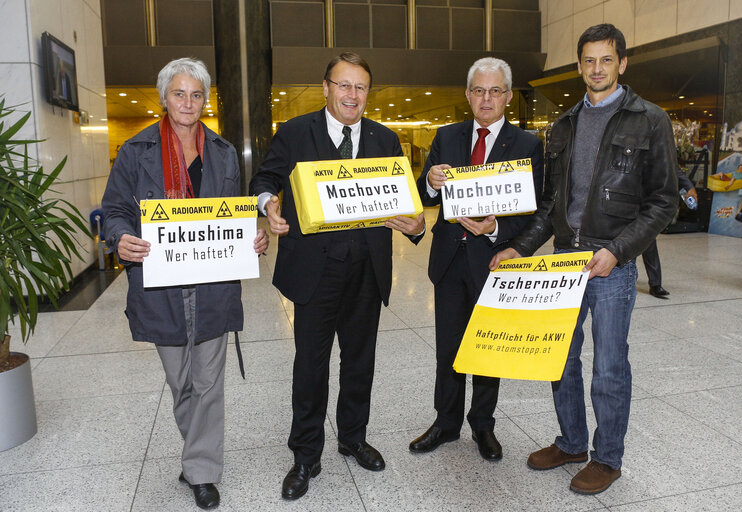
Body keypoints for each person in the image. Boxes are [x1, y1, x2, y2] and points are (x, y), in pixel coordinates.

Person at [490, 24, 677, 494]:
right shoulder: (564, 124)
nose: (596, 69)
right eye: (588, 61)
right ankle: (572, 441)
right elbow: (552, 204)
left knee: (609, 366)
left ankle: (607, 458)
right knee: (560, 360)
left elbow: (663, 202)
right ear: (578, 66)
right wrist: (520, 247)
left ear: (622, 63)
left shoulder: (649, 119)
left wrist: (617, 251)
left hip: (612, 264)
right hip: (562, 265)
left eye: (606, 60)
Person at [250, 52, 425, 500]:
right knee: (310, 365)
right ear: (325, 87)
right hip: (313, 270)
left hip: (368, 269)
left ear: (369, 93)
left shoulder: (386, 140)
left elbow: (403, 202)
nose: (352, 94)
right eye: (343, 85)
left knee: (359, 361)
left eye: (360, 87)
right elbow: (265, 179)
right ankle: (306, 454)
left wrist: (417, 223)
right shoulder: (293, 133)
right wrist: (268, 204)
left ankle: (353, 437)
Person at [101, 57, 268, 510]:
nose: (188, 102)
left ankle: (200, 470)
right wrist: (120, 238)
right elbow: (113, 210)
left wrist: (252, 233)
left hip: (213, 284)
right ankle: (198, 452)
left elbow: (237, 210)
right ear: (164, 98)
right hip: (161, 285)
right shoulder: (136, 152)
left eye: (196, 94)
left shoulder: (224, 152)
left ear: (205, 100)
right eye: (179, 93)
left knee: (210, 381)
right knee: (182, 383)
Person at [410, 57, 544, 461]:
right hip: (450, 260)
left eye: (495, 91)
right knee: (448, 349)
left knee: (487, 348)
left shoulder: (527, 145)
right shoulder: (446, 136)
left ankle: (483, 426)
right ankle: (445, 423)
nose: (487, 99)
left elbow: (532, 209)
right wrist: (430, 183)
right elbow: (421, 194)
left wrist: (496, 229)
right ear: (468, 95)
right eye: (479, 90)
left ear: (507, 96)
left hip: (493, 261)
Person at [642, 167, 697, 297]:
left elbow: (671, 164)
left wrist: (688, 186)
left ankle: (655, 284)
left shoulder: (659, 146)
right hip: (619, 198)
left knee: (648, 240)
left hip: (646, 199)